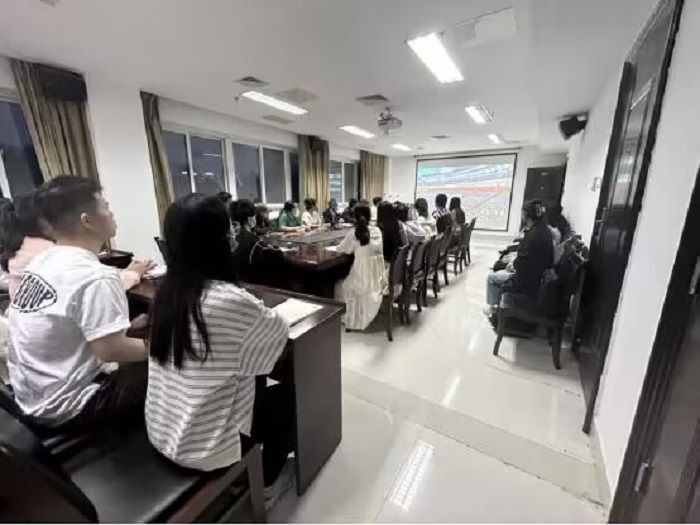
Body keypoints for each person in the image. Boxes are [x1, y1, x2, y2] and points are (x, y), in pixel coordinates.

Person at [146, 193, 291, 491]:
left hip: (162, 430)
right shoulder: (228, 300)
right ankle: (263, 480)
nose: (234, 233)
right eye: (229, 228)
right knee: (288, 394)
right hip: (204, 448)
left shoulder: (165, 292)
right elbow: (278, 334)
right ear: (219, 241)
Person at [8, 176, 148, 431]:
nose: (111, 213)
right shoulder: (95, 276)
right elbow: (113, 351)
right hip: (71, 407)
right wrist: (165, 347)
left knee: (144, 331)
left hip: (31, 399)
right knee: (175, 361)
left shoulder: (42, 261)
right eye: (105, 206)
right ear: (88, 220)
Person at [1, 193, 152, 300]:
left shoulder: (22, 245)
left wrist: (124, 272)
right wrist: (133, 273)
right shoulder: (46, 252)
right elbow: (97, 286)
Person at [485, 200, 554, 313]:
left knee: (492, 278)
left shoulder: (533, 235)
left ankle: (495, 310)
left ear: (526, 214)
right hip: (536, 278)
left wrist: (512, 265)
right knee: (501, 265)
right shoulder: (544, 231)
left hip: (526, 283)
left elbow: (522, 263)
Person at [335, 203, 385, 330]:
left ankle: (353, 315)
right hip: (378, 277)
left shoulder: (354, 232)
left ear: (355, 217)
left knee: (340, 286)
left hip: (362, 277)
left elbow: (343, 249)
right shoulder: (377, 230)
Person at [230, 199, 260, 279]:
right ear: (250, 219)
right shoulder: (253, 239)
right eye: (254, 216)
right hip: (251, 278)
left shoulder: (232, 238)